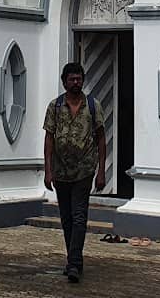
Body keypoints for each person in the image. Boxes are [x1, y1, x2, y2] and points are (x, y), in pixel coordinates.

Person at [42, 61, 107, 283]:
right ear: (64, 82)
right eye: (72, 79)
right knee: (66, 217)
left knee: (79, 216)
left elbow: (100, 138)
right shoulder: (55, 106)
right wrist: (48, 170)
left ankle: (75, 263)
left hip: (84, 169)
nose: (76, 82)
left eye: (79, 78)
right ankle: (72, 258)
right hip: (61, 171)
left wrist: (101, 171)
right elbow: (49, 137)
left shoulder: (92, 105)